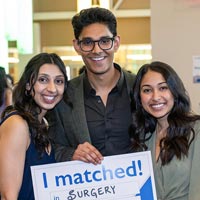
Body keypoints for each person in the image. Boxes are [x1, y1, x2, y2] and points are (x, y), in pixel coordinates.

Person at [47, 7, 135, 165]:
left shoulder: (139, 87)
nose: (97, 50)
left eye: (104, 41)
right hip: (87, 188)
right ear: (77, 46)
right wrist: (71, 154)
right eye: (87, 42)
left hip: (141, 187)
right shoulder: (64, 96)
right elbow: (51, 146)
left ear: (116, 43)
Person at [0, 52, 68, 200]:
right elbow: (8, 195)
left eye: (59, 81)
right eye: (43, 80)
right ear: (28, 85)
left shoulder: (44, 124)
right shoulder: (17, 124)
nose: (52, 88)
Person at [129, 61, 200, 200]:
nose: (155, 97)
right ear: (139, 97)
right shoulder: (144, 137)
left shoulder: (196, 131)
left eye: (163, 88)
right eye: (147, 90)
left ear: (175, 91)